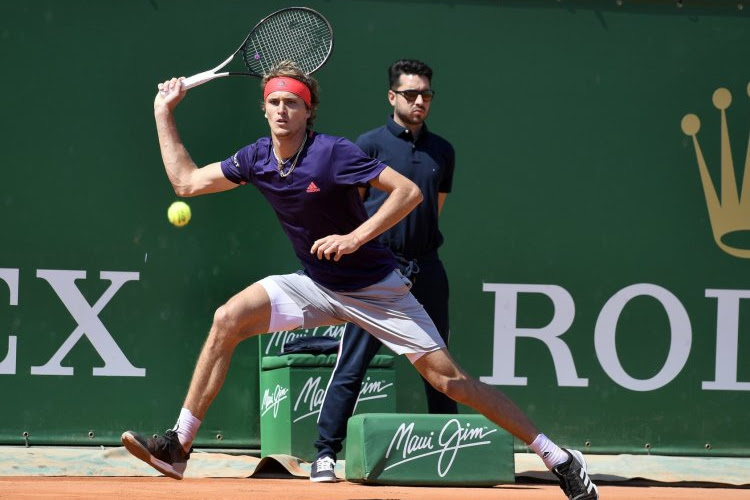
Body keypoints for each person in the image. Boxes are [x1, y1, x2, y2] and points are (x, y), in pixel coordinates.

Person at [120, 60, 598, 500]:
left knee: (451, 381)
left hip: (375, 289)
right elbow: (186, 182)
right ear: (263, 108)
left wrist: (354, 237)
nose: (283, 110)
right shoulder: (256, 158)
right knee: (228, 318)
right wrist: (164, 111)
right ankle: (178, 445)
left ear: (309, 111)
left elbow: (408, 193)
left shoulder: (333, 154)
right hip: (317, 284)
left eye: (293, 103)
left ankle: (557, 457)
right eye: (275, 102)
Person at [310, 59, 458, 483]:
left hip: (427, 267)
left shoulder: (443, 151)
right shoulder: (369, 144)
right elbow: (353, 206)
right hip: (376, 269)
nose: (419, 101)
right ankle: (323, 454)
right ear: (392, 97)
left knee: (442, 367)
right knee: (352, 364)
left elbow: (435, 210)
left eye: (426, 94)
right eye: (410, 94)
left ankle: (450, 447)